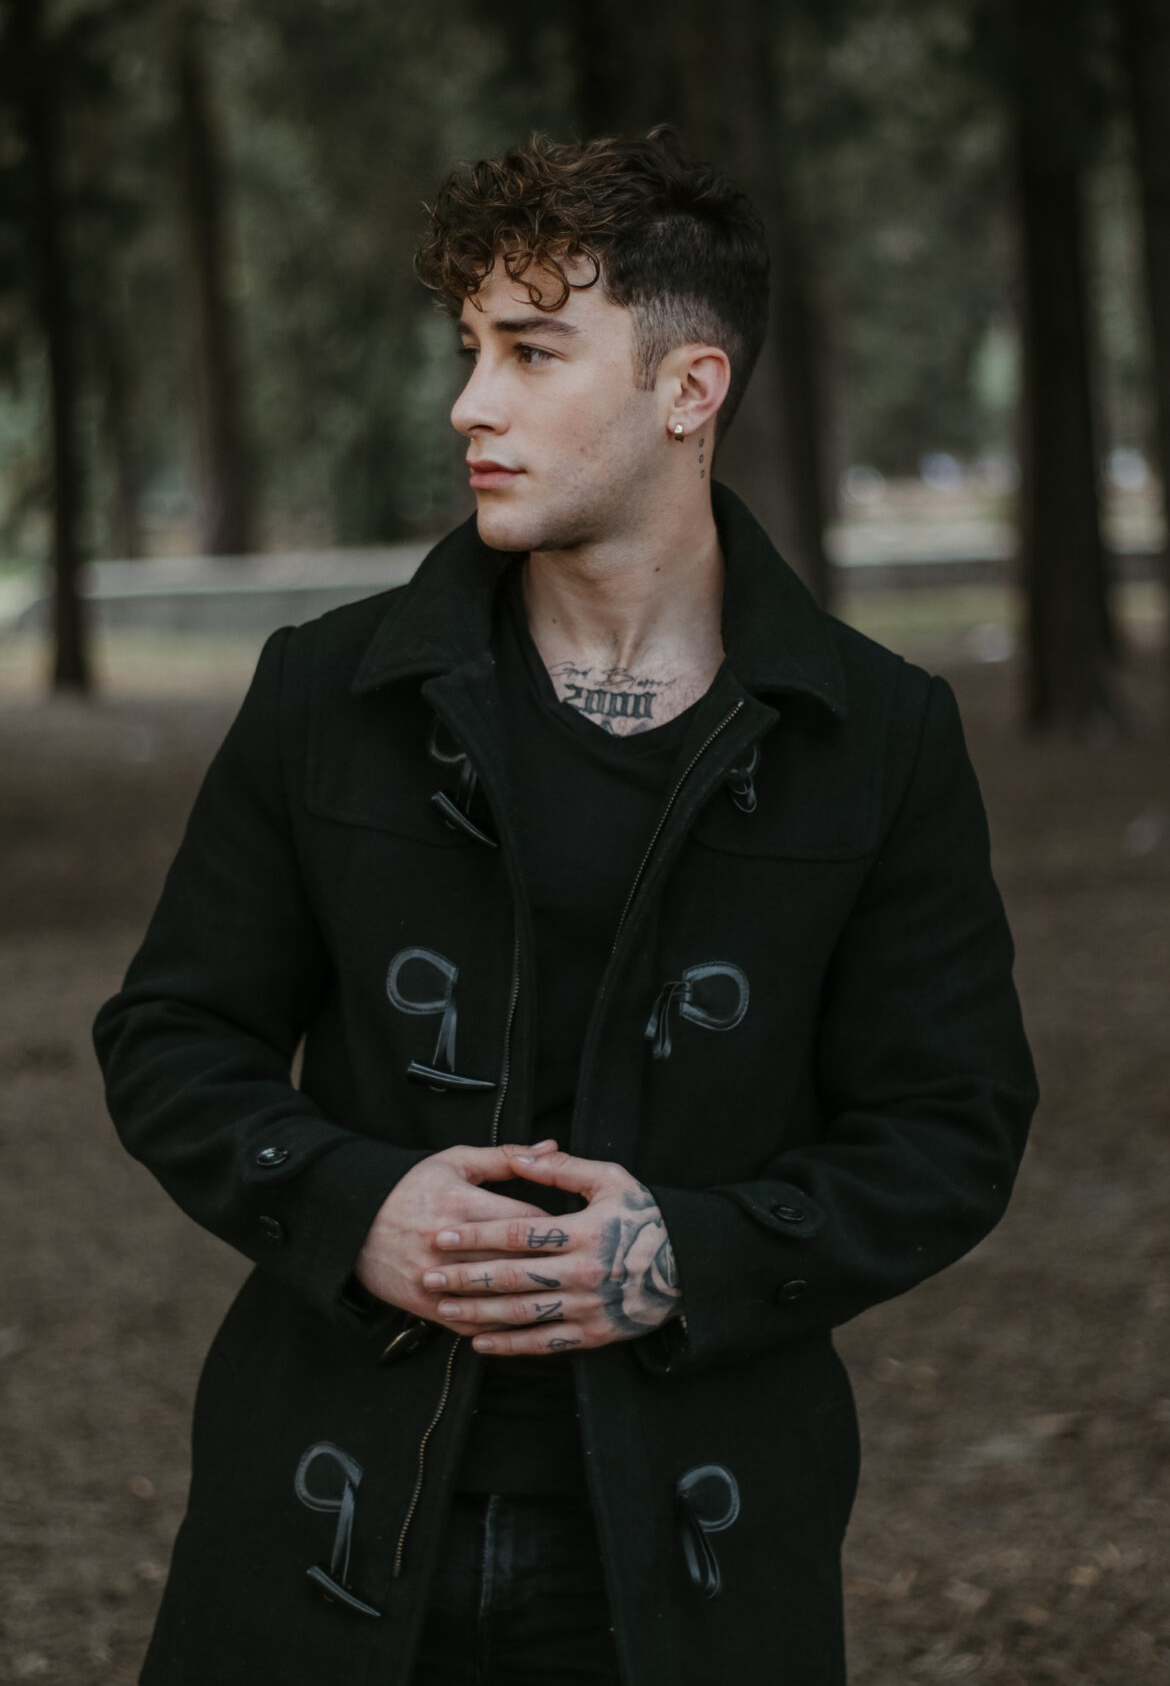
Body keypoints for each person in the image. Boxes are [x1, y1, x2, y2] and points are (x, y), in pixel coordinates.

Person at [93, 128, 1038, 1686]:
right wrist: (351, 1206)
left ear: (688, 389)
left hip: (692, 1541)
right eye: (470, 349)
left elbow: (950, 1126)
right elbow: (172, 1034)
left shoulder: (874, 737)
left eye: (532, 352)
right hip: (323, 1505)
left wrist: (685, 1255)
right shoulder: (326, 693)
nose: (471, 403)